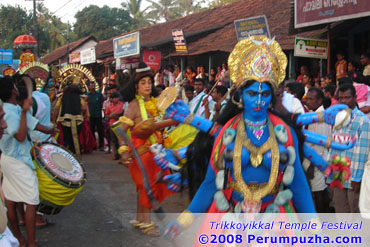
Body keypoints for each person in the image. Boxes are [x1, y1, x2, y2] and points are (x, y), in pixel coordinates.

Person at [157, 36, 353, 237]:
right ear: (239, 95)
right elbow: (209, 184)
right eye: (252, 94)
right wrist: (181, 222)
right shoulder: (227, 133)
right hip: (233, 222)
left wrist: (316, 231)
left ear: (272, 95)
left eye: (265, 94)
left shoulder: (285, 132)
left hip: (277, 223)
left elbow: (300, 186)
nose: (259, 100)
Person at [119, 62, 174, 236]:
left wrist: (173, 119)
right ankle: (148, 224)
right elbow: (121, 130)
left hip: (155, 152)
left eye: (149, 83)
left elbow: (158, 125)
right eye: (143, 83)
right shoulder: (133, 105)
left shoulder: (157, 103)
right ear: (136, 86)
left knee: (143, 187)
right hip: (140, 153)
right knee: (147, 187)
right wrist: (122, 150)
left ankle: (140, 219)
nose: (147, 86)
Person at [0, 77, 54, 247]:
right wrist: (24, 111)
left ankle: (20, 240)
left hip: (10, 160)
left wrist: (50, 129)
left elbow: (36, 125)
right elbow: (21, 135)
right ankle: (31, 243)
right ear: (13, 91)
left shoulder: (13, 109)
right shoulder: (10, 112)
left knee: (11, 199)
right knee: (31, 201)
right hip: (17, 162)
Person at [328, 83, 370, 212]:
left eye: (347, 97)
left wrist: (357, 178)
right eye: (341, 98)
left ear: (355, 98)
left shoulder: (363, 121)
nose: (344, 101)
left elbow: (362, 151)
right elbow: (334, 146)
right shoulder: (338, 118)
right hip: (339, 173)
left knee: (355, 210)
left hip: (353, 175)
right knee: (340, 209)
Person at [304, 87, 331, 212]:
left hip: (316, 162)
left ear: (320, 100)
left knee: (319, 191)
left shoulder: (321, 119)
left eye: (311, 99)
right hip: (310, 159)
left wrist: (312, 165)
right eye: (307, 98)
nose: (307, 101)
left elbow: (320, 145)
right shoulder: (312, 114)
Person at [105, 91, 124, 160]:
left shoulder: (121, 105)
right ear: (111, 99)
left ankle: (121, 154)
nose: (116, 99)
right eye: (114, 98)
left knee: (120, 139)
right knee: (114, 140)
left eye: (117, 98)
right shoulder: (109, 106)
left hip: (120, 124)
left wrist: (118, 115)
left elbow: (124, 113)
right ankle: (116, 154)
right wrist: (110, 116)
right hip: (112, 125)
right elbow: (106, 115)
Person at [87, 82, 105, 151]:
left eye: (93, 85)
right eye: (91, 85)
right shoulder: (87, 95)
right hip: (91, 115)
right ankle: (93, 145)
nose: (93, 87)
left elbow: (102, 103)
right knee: (91, 130)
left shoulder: (99, 94)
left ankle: (101, 145)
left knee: (100, 130)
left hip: (98, 114)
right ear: (89, 87)